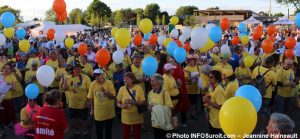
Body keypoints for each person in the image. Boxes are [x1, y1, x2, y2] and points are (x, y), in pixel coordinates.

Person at [62, 60, 91, 136]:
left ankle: (85, 132)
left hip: (83, 104)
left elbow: (90, 91)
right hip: (72, 104)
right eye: (75, 69)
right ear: (73, 69)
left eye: (78, 69)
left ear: (80, 69)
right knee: (75, 119)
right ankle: (77, 131)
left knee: (83, 119)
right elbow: (65, 89)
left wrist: (88, 101)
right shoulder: (69, 77)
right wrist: (65, 82)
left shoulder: (86, 78)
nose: (77, 70)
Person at [88, 69, 116, 139]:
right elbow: (91, 97)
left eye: (98, 75)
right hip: (98, 113)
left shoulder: (109, 83)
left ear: (102, 75)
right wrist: (92, 109)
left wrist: (105, 91)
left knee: (108, 131)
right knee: (98, 131)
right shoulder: (93, 83)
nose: (96, 77)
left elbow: (113, 97)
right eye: (95, 76)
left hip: (109, 112)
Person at [116, 72, 146, 139]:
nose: (125, 80)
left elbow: (143, 102)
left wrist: (134, 102)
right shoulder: (122, 89)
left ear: (132, 79)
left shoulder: (138, 88)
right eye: (124, 79)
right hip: (125, 117)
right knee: (126, 135)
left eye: (127, 78)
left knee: (137, 135)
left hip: (136, 116)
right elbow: (117, 102)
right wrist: (121, 106)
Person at [252, 56, 277, 132]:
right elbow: (275, 84)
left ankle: (253, 126)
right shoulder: (272, 73)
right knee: (265, 113)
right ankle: (263, 129)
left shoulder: (257, 68)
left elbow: (252, 79)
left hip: (255, 94)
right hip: (266, 95)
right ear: (272, 64)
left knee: (255, 110)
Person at [148, 74, 173, 139]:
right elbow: (149, 107)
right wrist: (150, 108)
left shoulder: (165, 93)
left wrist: (158, 108)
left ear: (159, 82)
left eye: (153, 81)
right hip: (155, 123)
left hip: (164, 121)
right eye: (151, 81)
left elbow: (170, 107)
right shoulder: (150, 93)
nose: (151, 83)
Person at [0, 63, 18, 137]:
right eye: (5, 68)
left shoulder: (12, 77)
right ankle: (1, 131)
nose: (6, 70)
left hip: (8, 99)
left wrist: (8, 86)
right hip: (0, 100)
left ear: (10, 70)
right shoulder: (0, 76)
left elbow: (14, 89)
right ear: (2, 69)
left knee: (9, 115)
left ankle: (8, 125)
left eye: (8, 68)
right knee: (1, 116)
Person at [184, 55, 201, 119]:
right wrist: (193, 78)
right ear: (188, 61)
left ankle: (193, 113)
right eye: (190, 61)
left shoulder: (198, 67)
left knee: (194, 102)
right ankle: (188, 114)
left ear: (195, 61)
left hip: (196, 88)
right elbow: (185, 79)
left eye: (193, 60)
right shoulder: (186, 68)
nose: (192, 62)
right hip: (189, 89)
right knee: (189, 102)